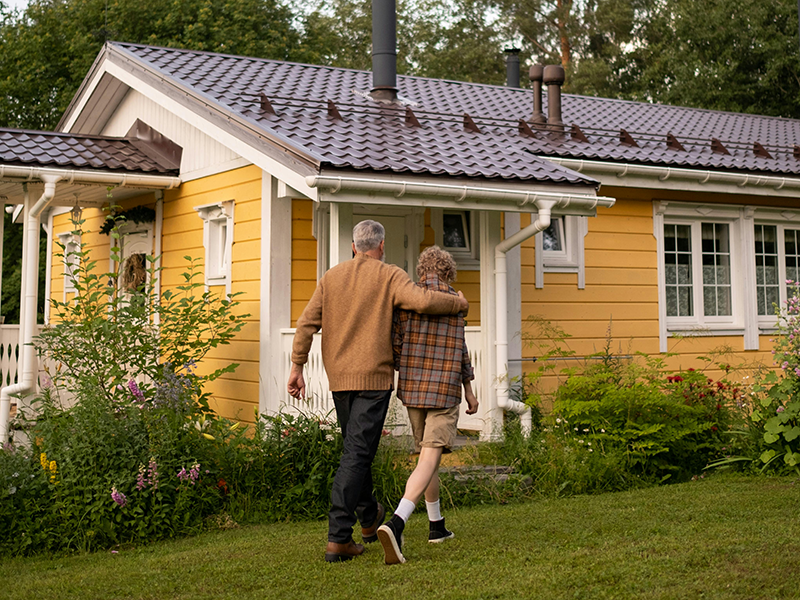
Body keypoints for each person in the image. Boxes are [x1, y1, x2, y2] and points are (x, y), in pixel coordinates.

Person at [287, 220, 469, 563]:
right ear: (381, 246)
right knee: (356, 455)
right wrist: (458, 305)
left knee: (358, 451)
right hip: (373, 380)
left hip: (339, 380)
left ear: (354, 246)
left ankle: (369, 519)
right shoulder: (390, 275)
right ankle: (339, 538)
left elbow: (306, 323)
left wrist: (297, 366)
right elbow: (425, 301)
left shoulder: (331, 277)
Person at [378, 245, 478, 565]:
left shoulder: (408, 301)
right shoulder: (456, 303)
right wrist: (470, 391)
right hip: (444, 390)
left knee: (426, 456)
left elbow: (395, 346)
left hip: (414, 392)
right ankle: (398, 521)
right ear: (449, 271)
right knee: (429, 457)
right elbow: (461, 352)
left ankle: (436, 526)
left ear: (422, 271)